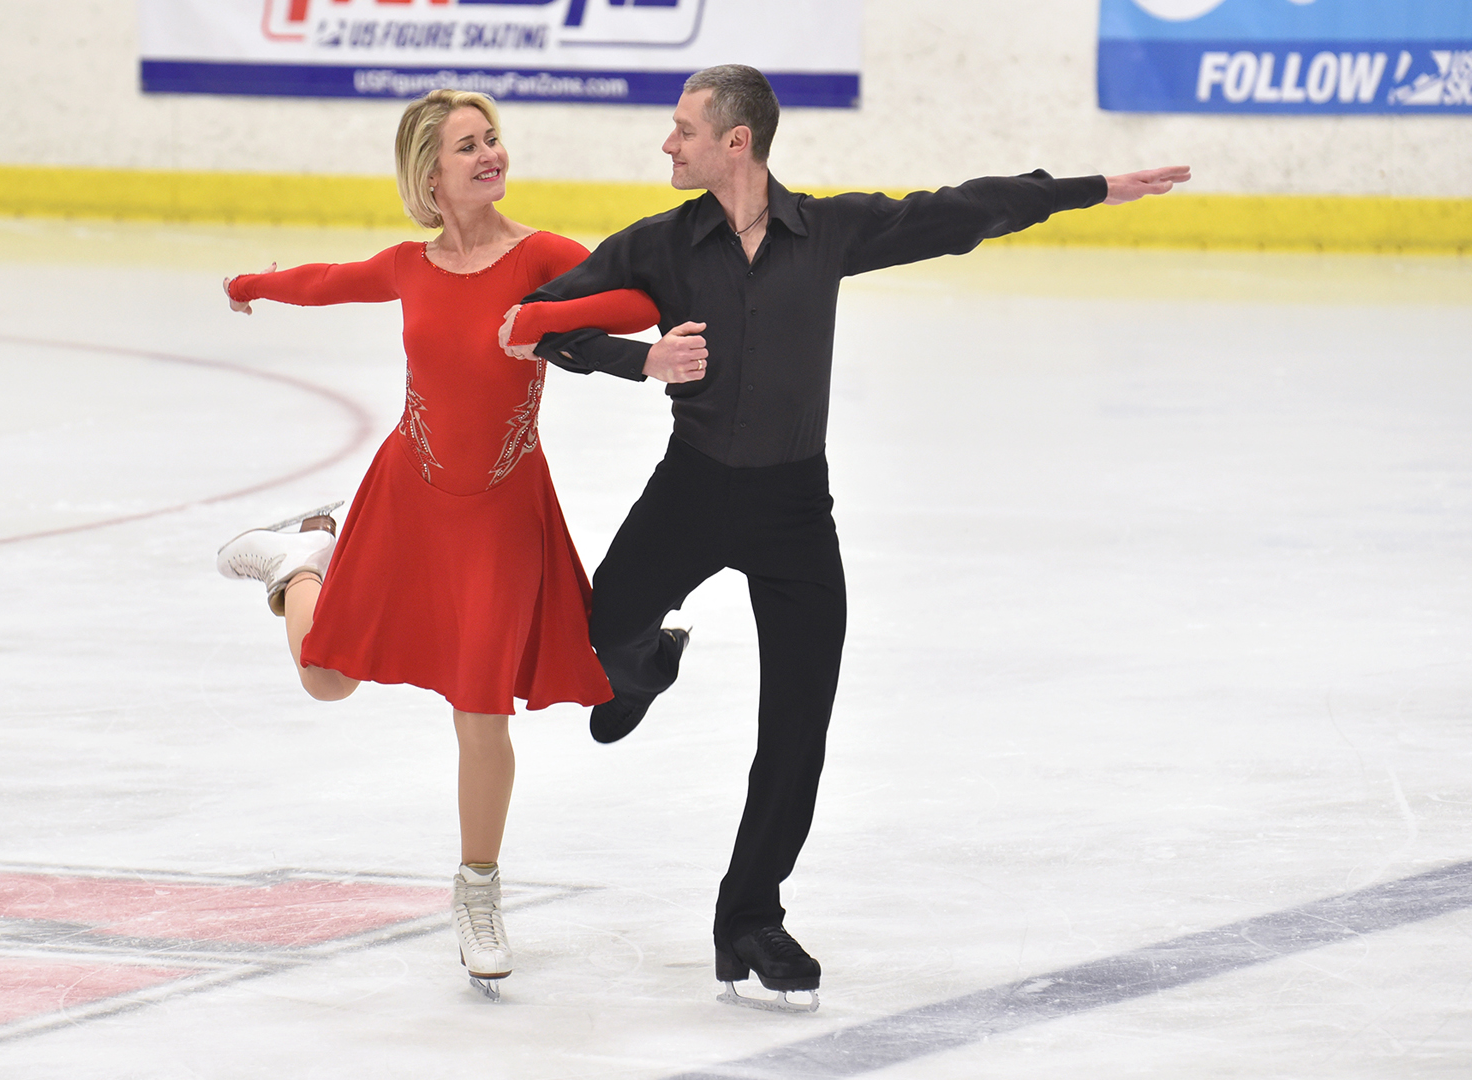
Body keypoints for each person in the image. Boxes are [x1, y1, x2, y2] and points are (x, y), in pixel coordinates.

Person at [501, 64, 1189, 1011]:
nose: (668, 143)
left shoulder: (825, 233)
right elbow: (535, 324)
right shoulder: (656, 245)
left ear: (735, 143)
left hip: (792, 511)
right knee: (603, 629)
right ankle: (644, 668)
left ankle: (749, 918)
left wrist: (1091, 189)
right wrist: (639, 359)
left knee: (797, 723)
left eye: (684, 129)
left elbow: (958, 212)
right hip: (691, 490)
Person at [214, 88, 659, 1001]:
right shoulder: (409, 265)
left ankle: (478, 891)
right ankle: (299, 561)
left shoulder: (542, 257)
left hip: (499, 511)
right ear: (430, 175)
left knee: (480, 705)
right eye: (467, 146)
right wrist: (251, 285)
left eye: (492, 138)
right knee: (324, 678)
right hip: (408, 492)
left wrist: (542, 318)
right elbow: (329, 281)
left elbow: (634, 303)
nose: (489, 153)